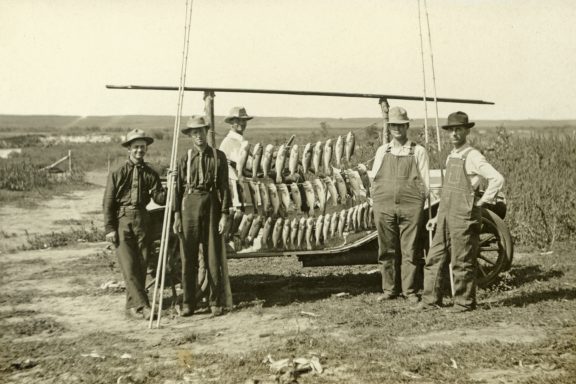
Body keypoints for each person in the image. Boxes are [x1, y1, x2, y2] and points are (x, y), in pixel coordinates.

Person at [419, 111, 504, 312]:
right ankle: (430, 301)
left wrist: (482, 202)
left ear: (466, 131)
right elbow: (447, 193)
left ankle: (464, 302)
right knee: (435, 257)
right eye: (451, 130)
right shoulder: (452, 156)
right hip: (447, 215)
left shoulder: (473, 155)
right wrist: (438, 217)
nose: (454, 133)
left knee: (462, 260)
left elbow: (497, 179)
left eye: (459, 129)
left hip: (464, 216)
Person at [103, 129, 166, 320]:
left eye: (142, 147)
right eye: (136, 147)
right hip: (123, 221)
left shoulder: (151, 173)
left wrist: (173, 184)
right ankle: (144, 306)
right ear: (129, 149)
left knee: (141, 265)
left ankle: (132, 307)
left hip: (143, 220)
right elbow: (108, 203)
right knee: (129, 266)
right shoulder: (117, 172)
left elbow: (160, 198)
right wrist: (109, 229)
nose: (139, 150)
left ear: (146, 149)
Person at [369, 106, 430, 303]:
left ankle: (410, 291)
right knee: (386, 249)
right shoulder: (382, 150)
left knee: (410, 249)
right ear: (389, 127)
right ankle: (389, 290)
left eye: (401, 125)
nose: (397, 129)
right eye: (394, 125)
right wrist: (377, 200)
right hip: (384, 206)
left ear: (407, 126)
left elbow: (426, 184)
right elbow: (374, 179)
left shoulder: (418, 151)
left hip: (410, 207)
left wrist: (417, 201)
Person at [173, 115, 232, 317]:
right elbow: (177, 190)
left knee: (212, 256)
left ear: (207, 132)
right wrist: (176, 216)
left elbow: (224, 188)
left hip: (211, 204)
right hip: (188, 205)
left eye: (201, 131)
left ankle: (216, 301)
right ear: (190, 135)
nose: (199, 136)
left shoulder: (219, 156)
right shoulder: (185, 158)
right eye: (194, 132)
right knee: (188, 257)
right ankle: (189, 302)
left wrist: (224, 214)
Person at [219, 106, 254, 208]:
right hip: (235, 187)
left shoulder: (240, 140)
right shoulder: (229, 142)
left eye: (244, 120)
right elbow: (246, 164)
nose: (242, 123)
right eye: (238, 120)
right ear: (231, 122)